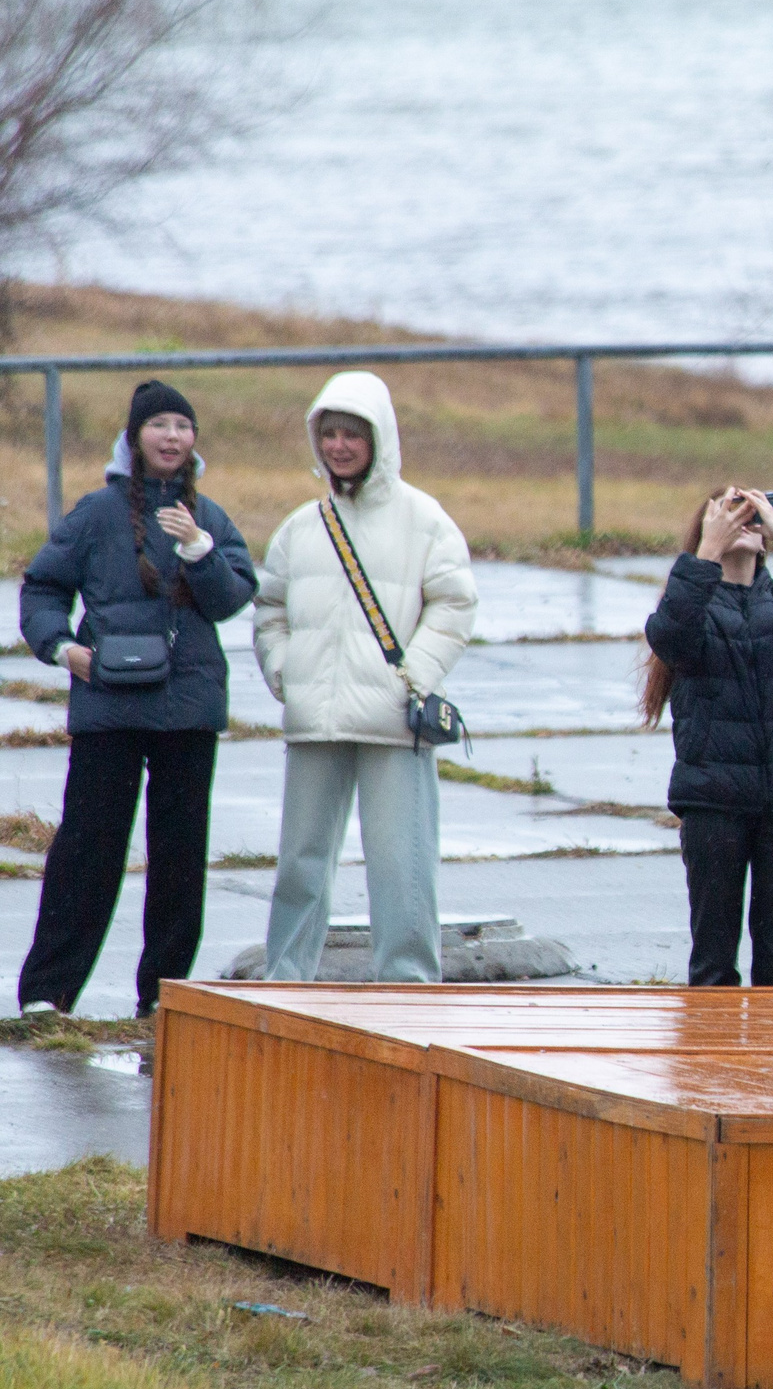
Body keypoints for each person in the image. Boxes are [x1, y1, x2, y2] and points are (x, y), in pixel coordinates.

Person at [14, 381, 257, 1017]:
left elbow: (232, 600)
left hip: (188, 707)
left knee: (180, 855)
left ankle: (163, 998)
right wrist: (64, 649)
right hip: (109, 704)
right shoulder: (95, 513)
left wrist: (199, 551)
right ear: (134, 437)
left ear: (194, 439)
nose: (171, 437)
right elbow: (41, 589)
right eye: (158, 426)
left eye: (183, 425)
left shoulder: (213, 517)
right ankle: (48, 993)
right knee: (88, 847)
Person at [253, 372, 478, 983]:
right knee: (301, 864)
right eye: (329, 433)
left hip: (391, 721)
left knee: (401, 864)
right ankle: (286, 983)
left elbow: (456, 604)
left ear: (380, 440)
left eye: (353, 433)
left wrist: (415, 676)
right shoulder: (302, 526)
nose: (340, 446)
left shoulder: (424, 519)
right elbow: (269, 608)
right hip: (315, 720)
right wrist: (285, 671)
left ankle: (407, 987)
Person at [641, 487, 773, 987]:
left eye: (754, 515)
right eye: (730, 513)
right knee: (714, 957)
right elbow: (670, 636)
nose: (744, 522)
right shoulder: (694, 603)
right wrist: (706, 554)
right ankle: (710, 1061)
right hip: (714, 799)